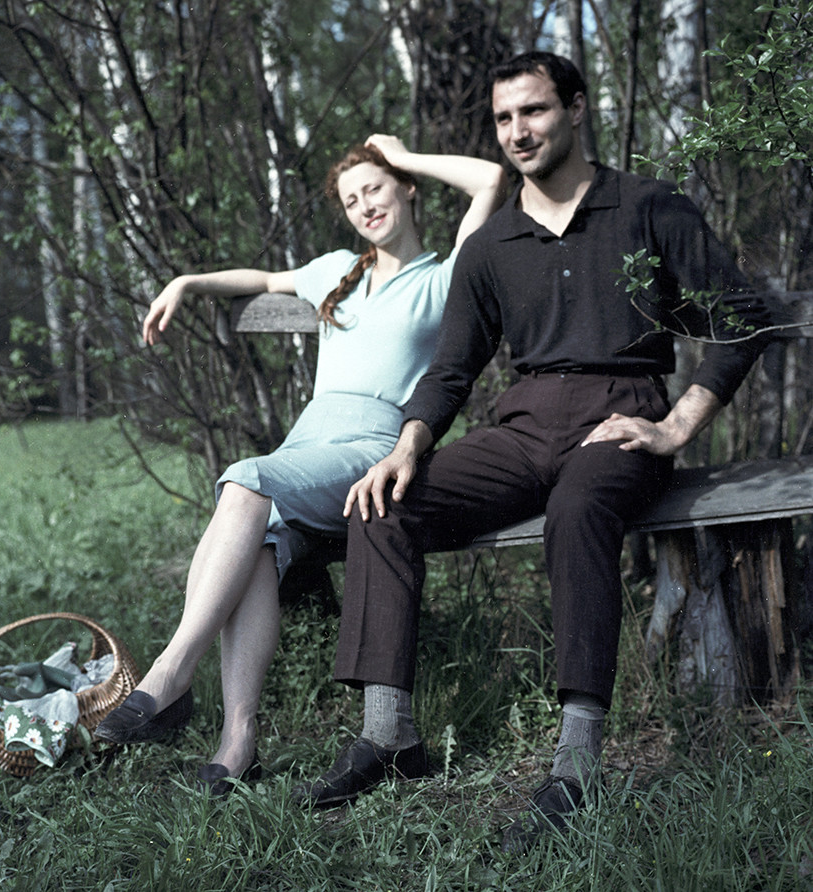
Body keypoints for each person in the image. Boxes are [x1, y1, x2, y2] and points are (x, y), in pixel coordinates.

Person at [290, 52, 771, 853]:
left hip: (621, 419)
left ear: (576, 110)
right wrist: (409, 445)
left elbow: (741, 313)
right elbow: (451, 369)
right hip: (523, 424)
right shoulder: (493, 243)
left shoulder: (648, 207)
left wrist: (678, 424)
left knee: (579, 509)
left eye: (535, 111)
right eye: (506, 118)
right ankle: (387, 738)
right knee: (383, 505)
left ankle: (576, 767)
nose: (519, 131)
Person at [94, 135, 507, 795]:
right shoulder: (337, 269)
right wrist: (186, 281)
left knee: (243, 477)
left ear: (405, 189)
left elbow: (490, 179)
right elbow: (260, 282)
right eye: (351, 199)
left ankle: (170, 677)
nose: (365, 205)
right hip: (306, 445)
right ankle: (238, 744)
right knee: (255, 542)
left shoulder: (443, 275)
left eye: (375, 188)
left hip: (374, 448)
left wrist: (402, 155)